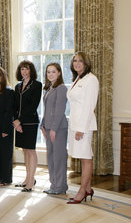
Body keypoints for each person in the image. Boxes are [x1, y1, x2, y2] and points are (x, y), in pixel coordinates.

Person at [66, 52, 99, 204]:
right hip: (74, 124)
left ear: (86, 63)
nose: (77, 63)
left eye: (80, 61)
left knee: (86, 158)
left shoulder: (91, 79)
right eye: (75, 61)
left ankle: (82, 191)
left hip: (83, 126)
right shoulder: (78, 79)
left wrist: (82, 128)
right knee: (82, 155)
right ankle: (88, 188)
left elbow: (89, 105)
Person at [13, 61, 42, 192]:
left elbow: (33, 107)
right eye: (22, 69)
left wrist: (20, 120)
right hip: (19, 122)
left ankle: (31, 180)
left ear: (31, 71)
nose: (24, 72)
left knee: (30, 150)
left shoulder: (37, 85)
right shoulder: (17, 86)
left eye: (26, 69)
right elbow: (14, 105)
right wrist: (15, 121)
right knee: (24, 150)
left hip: (30, 122)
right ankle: (27, 178)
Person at [40, 63, 68, 195]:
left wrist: (54, 129)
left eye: (53, 72)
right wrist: (43, 125)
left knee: (59, 158)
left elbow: (59, 111)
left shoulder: (61, 88)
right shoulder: (49, 88)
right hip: (48, 127)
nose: (50, 74)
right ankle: (54, 184)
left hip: (58, 129)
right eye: (48, 72)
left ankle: (60, 186)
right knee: (51, 157)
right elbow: (46, 110)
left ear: (59, 73)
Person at [0, 67, 15, 186]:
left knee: (5, 154)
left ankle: (6, 179)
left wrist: (6, 129)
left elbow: (9, 112)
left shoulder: (9, 91)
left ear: (3, 77)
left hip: (4, 128)